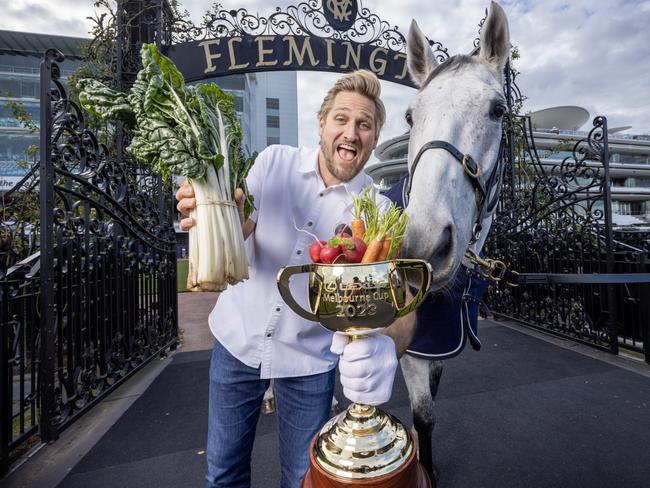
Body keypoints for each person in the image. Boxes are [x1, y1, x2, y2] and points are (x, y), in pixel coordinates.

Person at [176, 70, 417, 488]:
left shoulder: (375, 209)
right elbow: (242, 223)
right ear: (321, 124)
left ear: (376, 138)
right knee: (222, 473)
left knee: (302, 479)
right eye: (342, 119)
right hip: (237, 340)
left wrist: (388, 345)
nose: (352, 132)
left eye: (365, 125)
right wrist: (214, 208)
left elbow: (400, 300)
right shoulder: (274, 162)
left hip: (309, 361)